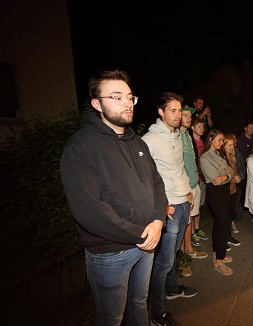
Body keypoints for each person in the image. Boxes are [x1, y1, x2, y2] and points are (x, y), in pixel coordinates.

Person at [60, 69, 167, 325]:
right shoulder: (81, 147)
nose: (127, 103)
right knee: (112, 319)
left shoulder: (137, 143)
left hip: (147, 242)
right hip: (111, 255)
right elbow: (89, 211)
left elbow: (157, 184)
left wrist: (158, 222)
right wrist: (142, 234)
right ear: (97, 104)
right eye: (117, 97)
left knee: (140, 303)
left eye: (130, 97)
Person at [142, 92, 197, 326]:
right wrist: (160, 206)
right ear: (161, 112)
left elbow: (178, 167)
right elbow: (144, 178)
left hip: (183, 201)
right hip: (169, 207)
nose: (178, 115)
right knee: (162, 262)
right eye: (172, 110)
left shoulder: (176, 136)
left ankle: (172, 288)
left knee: (172, 255)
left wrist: (188, 189)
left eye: (179, 110)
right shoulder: (150, 140)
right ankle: (158, 312)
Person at [200, 129, 235, 276]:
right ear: (211, 140)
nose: (222, 143)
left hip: (224, 192)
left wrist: (225, 175)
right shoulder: (205, 157)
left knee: (219, 224)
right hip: (215, 193)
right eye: (219, 140)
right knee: (225, 224)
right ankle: (219, 262)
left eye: (222, 140)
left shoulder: (218, 154)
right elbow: (215, 179)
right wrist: (226, 174)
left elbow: (231, 171)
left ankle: (217, 253)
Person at [179, 106, 208, 278]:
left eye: (190, 115)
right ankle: (181, 258)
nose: (189, 118)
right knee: (183, 223)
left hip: (194, 183)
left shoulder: (187, 137)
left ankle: (189, 249)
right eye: (185, 115)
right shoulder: (175, 137)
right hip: (185, 188)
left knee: (190, 221)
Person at [190, 117, 209, 247]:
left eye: (203, 127)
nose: (202, 129)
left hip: (202, 179)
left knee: (199, 206)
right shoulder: (192, 142)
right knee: (192, 208)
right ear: (193, 127)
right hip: (195, 178)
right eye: (199, 126)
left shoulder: (202, 142)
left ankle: (197, 228)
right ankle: (191, 233)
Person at [220, 133, 242, 246]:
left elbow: (233, 172)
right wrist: (234, 179)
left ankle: (228, 236)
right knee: (224, 218)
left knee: (229, 215)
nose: (231, 147)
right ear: (223, 145)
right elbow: (224, 176)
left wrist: (237, 176)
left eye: (232, 145)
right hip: (225, 191)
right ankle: (223, 240)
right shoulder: (222, 158)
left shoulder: (232, 156)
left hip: (233, 190)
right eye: (228, 145)